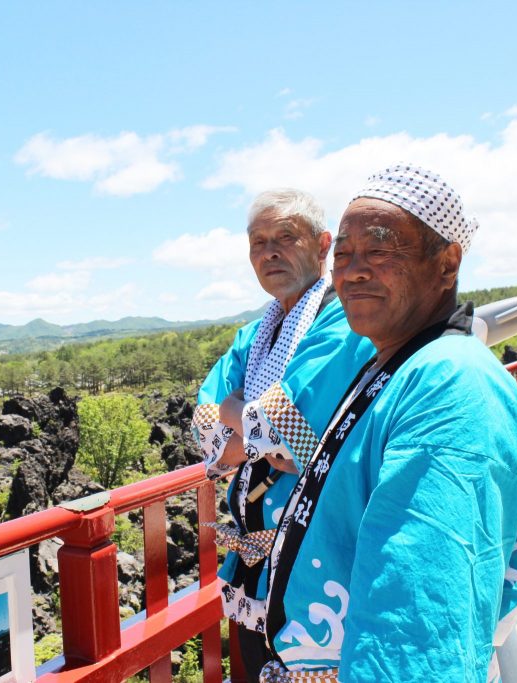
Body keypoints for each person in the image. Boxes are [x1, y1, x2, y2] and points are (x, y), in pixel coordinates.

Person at [259, 164, 517, 682]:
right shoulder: (396, 363)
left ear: (446, 263)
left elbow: (417, 622)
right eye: (343, 255)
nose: (352, 271)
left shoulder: (451, 389)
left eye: (379, 251)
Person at [192, 189, 373, 678]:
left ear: (321, 246)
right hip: (254, 565)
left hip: (317, 562)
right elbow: (207, 431)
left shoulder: (343, 321)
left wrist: (240, 414)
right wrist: (250, 426)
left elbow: (285, 434)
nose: (268, 252)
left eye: (284, 237)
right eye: (257, 242)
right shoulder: (250, 337)